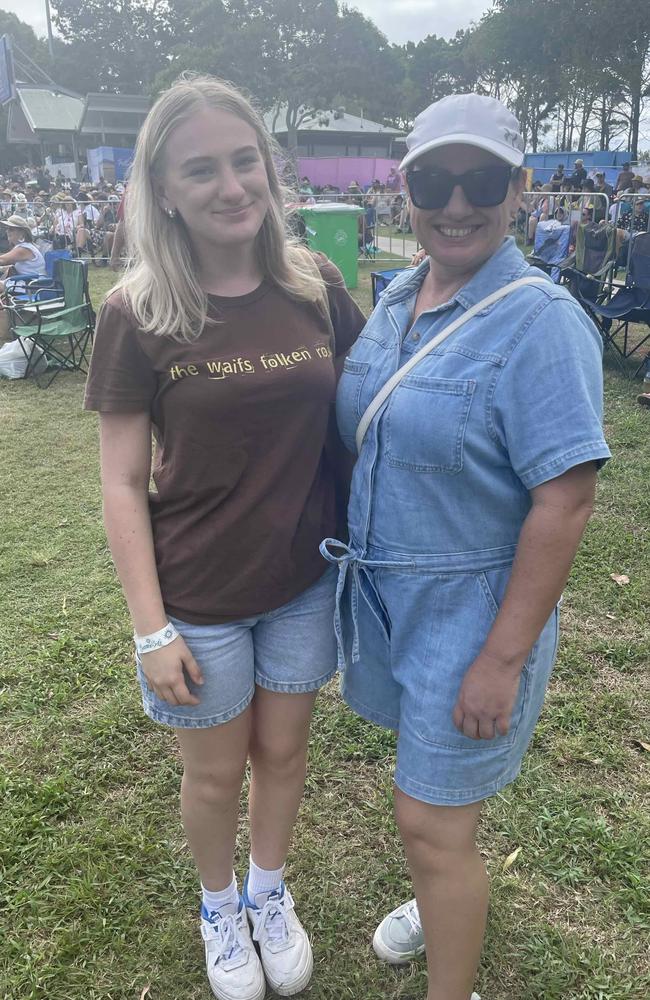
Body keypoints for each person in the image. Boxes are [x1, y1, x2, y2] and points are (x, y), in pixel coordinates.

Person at [83, 74, 365, 1000]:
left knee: (284, 754)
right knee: (213, 778)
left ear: (269, 168)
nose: (231, 185)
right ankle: (219, 909)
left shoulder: (317, 286)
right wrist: (149, 628)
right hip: (197, 596)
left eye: (245, 161)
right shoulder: (136, 312)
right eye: (201, 169)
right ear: (163, 187)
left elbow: (375, 406)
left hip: (302, 582)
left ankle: (268, 892)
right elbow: (123, 480)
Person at [323, 93, 610, 1000]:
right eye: (432, 180)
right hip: (390, 605)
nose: (456, 202)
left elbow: (564, 501)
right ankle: (441, 896)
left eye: (481, 179)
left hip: (470, 617)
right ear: (403, 189)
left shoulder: (542, 322)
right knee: (430, 812)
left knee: (431, 827)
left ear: (521, 189)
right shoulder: (402, 293)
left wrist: (501, 658)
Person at [0, 214, 46, 294]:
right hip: (25, 282)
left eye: (11, 229)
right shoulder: (23, 246)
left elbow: (2, 260)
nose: (7, 231)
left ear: (22, 233)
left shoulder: (24, 249)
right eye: (7, 229)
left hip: (32, 286)